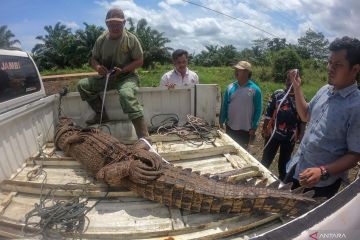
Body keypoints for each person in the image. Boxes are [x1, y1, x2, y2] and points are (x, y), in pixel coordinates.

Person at [285, 36, 360, 199]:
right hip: (297, 166)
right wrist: (297, 88)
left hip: (320, 184)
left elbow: (355, 154)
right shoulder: (325, 90)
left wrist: (322, 171)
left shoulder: (357, 106)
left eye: (338, 65)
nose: (330, 68)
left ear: (355, 69)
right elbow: (305, 115)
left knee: (304, 223)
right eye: (330, 62)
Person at [77, 7, 149, 139]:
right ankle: (101, 115)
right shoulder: (101, 40)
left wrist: (124, 70)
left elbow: (139, 61)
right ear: (106, 24)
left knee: (126, 95)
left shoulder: (131, 39)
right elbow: (93, 59)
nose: (115, 27)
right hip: (107, 77)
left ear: (124, 23)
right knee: (82, 85)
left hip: (127, 77)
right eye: (112, 24)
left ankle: (144, 137)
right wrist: (98, 67)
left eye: (118, 24)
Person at [261, 70, 306, 181]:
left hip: (290, 137)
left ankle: (282, 183)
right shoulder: (278, 94)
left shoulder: (300, 98)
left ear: (298, 81)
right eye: (288, 79)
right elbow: (268, 112)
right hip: (273, 133)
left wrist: (301, 134)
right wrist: (264, 128)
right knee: (266, 158)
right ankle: (259, 178)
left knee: (284, 163)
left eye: (293, 79)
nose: (289, 82)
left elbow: (302, 119)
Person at [219, 61, 262, 148]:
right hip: (230, 126)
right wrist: (221, 121)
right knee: (229, 148)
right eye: (236, 69)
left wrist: (254, 127)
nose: (236, 72)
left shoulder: (255, 89)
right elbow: (225, 106)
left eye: (239, 70)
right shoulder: (230, 87)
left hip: (246, 129)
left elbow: (258, 109)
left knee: (242, 152)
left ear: (247, 72)